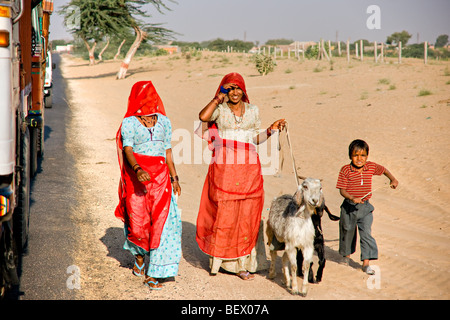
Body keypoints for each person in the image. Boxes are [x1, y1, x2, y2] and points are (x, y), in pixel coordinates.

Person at [196, 72, 285, 280]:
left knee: (246, 214)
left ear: (244, 90)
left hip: (249, 168)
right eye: (230, 88)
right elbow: (203, 117)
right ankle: (221, 262)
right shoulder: (220, 110)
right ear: (224, 90)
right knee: (225, 213)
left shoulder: (253, 110)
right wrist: (218, 97)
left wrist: (270, 130)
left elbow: (255, 138)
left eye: (238, 88)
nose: (234, 93)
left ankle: (243, 265)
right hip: (224, 168)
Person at [115, 81, 181, 290]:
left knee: (162, 223)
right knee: (138, 225)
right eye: (143, 96)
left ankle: (154, 273)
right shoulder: (130, 122)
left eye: (152, 95)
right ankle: (140, 259)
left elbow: (167, 151)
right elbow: (127, 150)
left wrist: (175, 177)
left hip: (161, 179)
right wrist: (137, 170)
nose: (149, 100)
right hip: (138, 180)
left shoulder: (164, 121)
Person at [336, 139, 398, 275]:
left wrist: (392, 179)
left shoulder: (370, 167)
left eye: (363, 155)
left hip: (365, 208)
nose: (359, 159)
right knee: (347, 231)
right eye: (356, 155)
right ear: (350, 156)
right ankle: (346, 257)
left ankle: (366, 263)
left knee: (366, 234)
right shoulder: (345, 170)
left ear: (367, 156)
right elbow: (342, 190)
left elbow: (384, 170)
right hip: (349, 208)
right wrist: (352, 198)